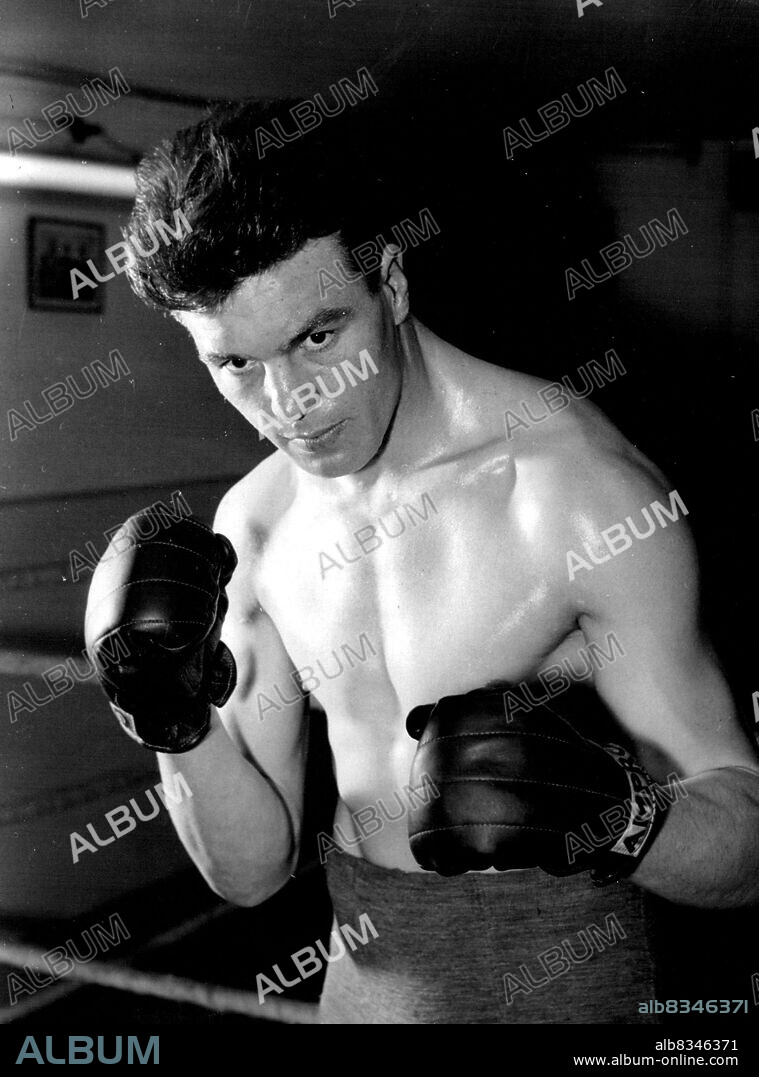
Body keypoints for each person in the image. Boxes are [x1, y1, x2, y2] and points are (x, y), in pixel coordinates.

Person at [84, 101, 759, 1024]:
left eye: (317, 337)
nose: (293, 406)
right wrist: (170, 724)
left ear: (391, 283)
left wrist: (622, 817)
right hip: (360, 990)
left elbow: (747, 849)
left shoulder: (574, 492)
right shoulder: (256, 522)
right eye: (236, 364)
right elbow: (250, 872)